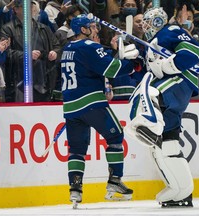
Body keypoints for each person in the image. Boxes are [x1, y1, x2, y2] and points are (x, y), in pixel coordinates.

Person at [125, 6, 199, 207]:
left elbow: (194, 52)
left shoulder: (171, 31)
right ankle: (181, 191)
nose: (146, 27)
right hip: (172, 95)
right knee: (166, 145)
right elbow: (143, 75)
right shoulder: (150, 45)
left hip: (178, 83)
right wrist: (134, 61)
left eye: (148, 23)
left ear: (157, 22)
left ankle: (151, 124)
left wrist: (170, 65)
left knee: (151, 94)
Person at [61, 14, 139, 208]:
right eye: (92, 27)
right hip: (92, 103)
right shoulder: (89, 47)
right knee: (115, 136)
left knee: (76, 150)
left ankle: (75, 191)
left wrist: (115, 54)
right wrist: (132, 62)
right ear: (83, 30)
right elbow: (112, 70)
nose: (96, 30)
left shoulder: (67, 49)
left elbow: (93, 68)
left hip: (71, 107)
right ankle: (114, 182)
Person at [0, 0, 61, 102]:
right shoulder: (7, 29)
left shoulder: (44, 28)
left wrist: (55, 53)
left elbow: (57, 46)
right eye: (25, 6)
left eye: (31, 6)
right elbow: (4, 53)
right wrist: (26, 55)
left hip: (43, 81)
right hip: (18, 82)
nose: (30, 8)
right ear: (16, 9)